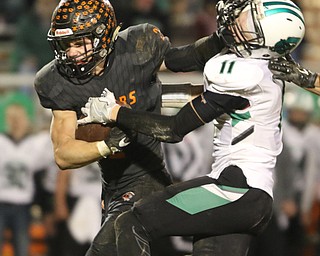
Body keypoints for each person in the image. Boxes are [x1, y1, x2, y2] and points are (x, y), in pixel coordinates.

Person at [77, 0, 306, 255]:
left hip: (234, 189)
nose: (239, 19)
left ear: (266, 37)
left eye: (249, 20)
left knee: (132, 221)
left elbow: (174, 129)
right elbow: (200, 99)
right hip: (251, 198)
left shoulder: (245, 75)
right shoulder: (265, 68)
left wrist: (115, 112)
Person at [33, 0, 226, 255]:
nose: (71, 53)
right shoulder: (56, 81)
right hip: (112, 186)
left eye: (79, 43)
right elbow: (63, 153)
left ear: (104, 36)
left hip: (146, 175)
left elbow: (183, 58)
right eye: (66, 45)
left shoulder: (138, 46)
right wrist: (107, 144)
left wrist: (222, 39)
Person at [0, 103, 51, 256]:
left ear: (25, 120)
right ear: (7, 119)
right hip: (1, 202)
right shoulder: (2, 142)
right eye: (13, 118)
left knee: (22, 248)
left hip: (23, 206)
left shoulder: (34, 144)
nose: (16, 122)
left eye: (19, 118)